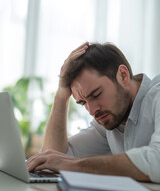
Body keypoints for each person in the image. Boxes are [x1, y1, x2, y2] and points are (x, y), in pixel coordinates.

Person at [27, 42, 160, 183]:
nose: (91, 111)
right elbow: (51, 160)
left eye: (96, 95)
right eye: (83, 103)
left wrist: (72, 165)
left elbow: (157, 161)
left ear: (122, 75)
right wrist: (61, 95)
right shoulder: (108, 121)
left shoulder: (156, 96)